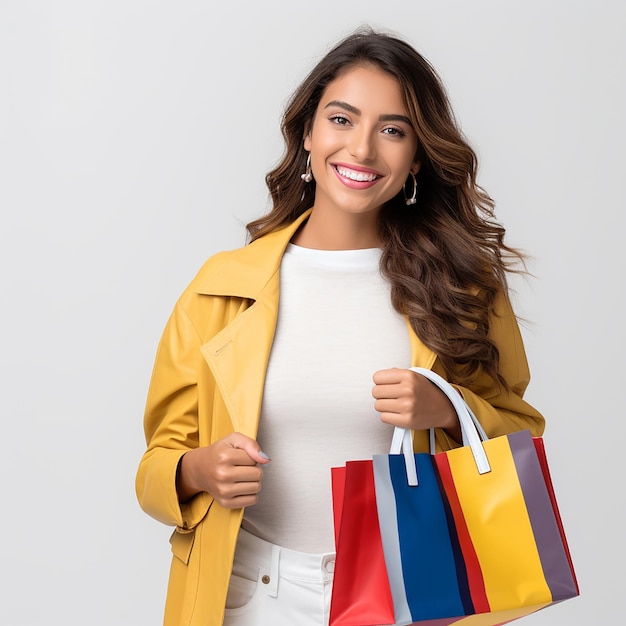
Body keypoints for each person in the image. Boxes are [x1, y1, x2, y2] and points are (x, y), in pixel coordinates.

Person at [136, 26, 545, 626]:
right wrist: (199, 469)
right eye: (342, 119)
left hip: (407, 591)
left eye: (392, 130)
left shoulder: (462, 287)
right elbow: (154, 466)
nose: (361, 150)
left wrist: (449, 406)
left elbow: (521, 437)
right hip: (249, 594)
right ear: (308, 133)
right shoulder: (221, 287)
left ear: (416, 156)